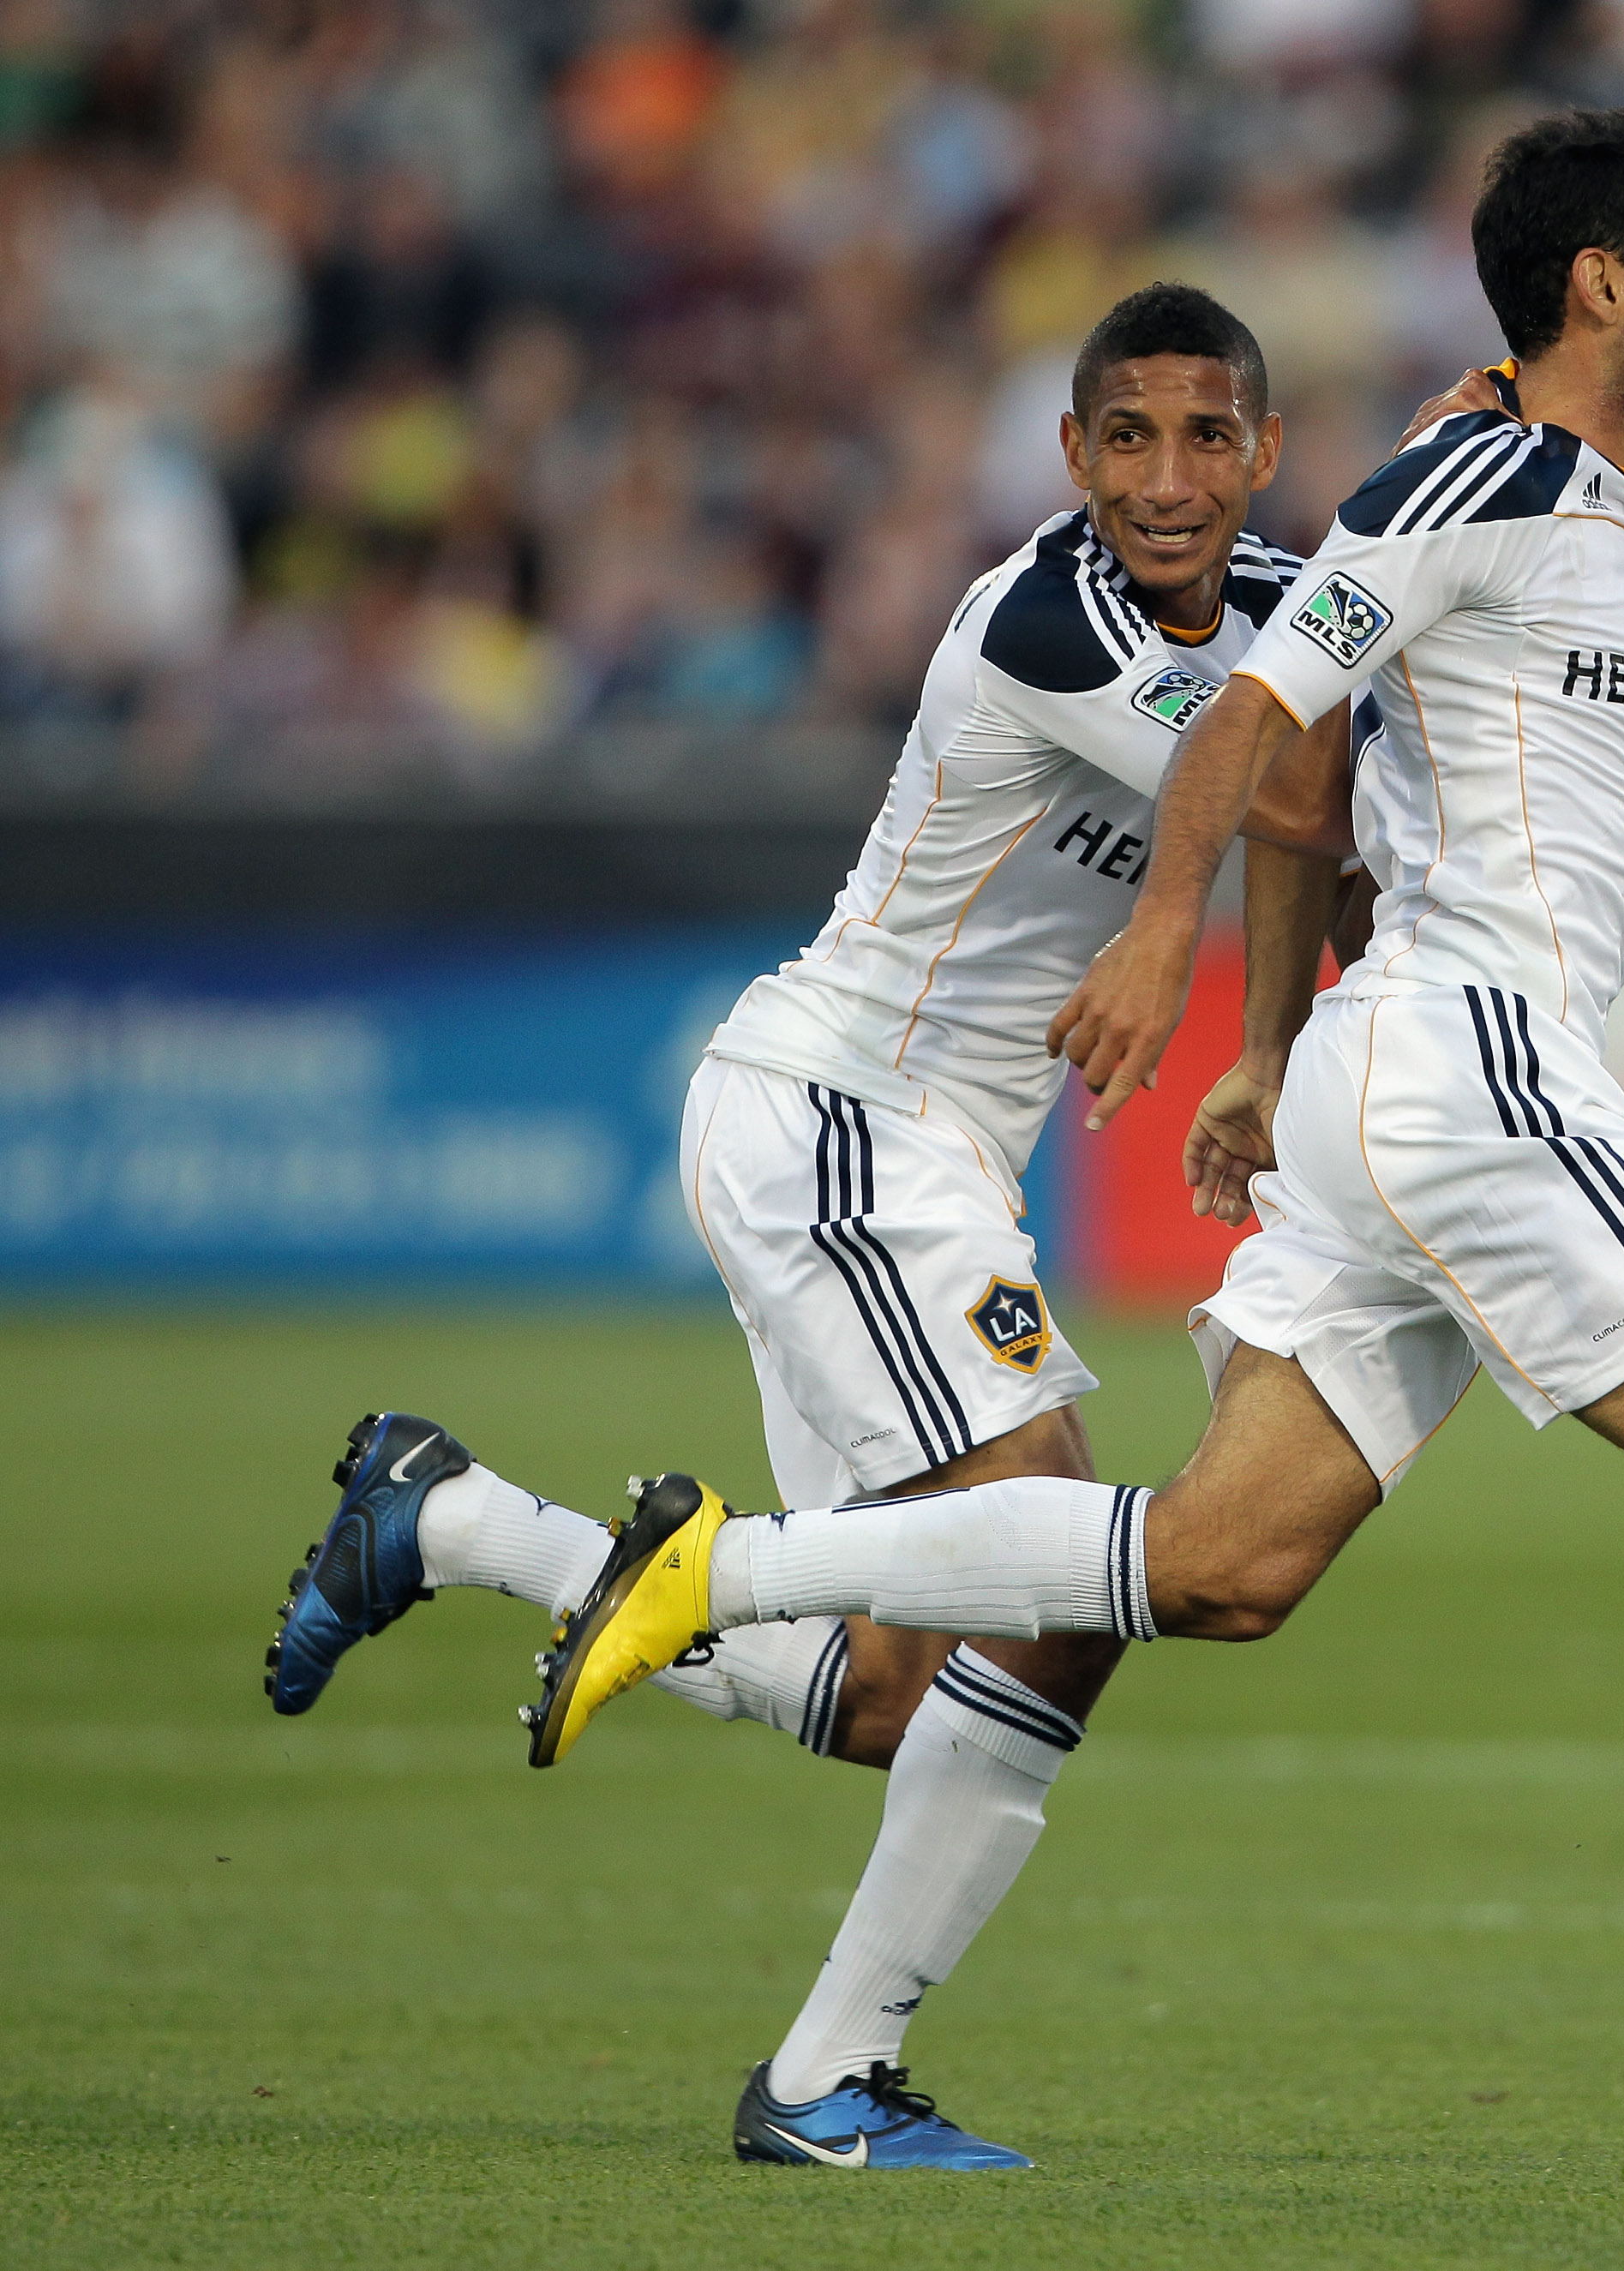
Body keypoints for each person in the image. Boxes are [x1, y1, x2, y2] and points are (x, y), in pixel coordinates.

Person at [524, 108, 1624, 2127]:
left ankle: (723, 1577)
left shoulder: (1537, 480)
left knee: (1223, 1565)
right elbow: (1259, 721)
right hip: (1472, 1063)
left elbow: (1319, 766)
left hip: (1381, 1077)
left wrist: (1258, 1047)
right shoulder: (1482, 473)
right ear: (1601, 283)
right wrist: (1162, 939)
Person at [265, 283, 1357, 2169]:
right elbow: (1276, 796)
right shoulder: (1051, 616)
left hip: (913, 1151)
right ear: (1071, 456)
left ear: (1261, 452)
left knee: (901, 1683)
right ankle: (822, 2078)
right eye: (1125, 437)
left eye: (1206, 437)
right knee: (1058, 1569)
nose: (1165, 480)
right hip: (839, 1119)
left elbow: (1331, 799)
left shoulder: (1283, 604)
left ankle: (452, 1517)